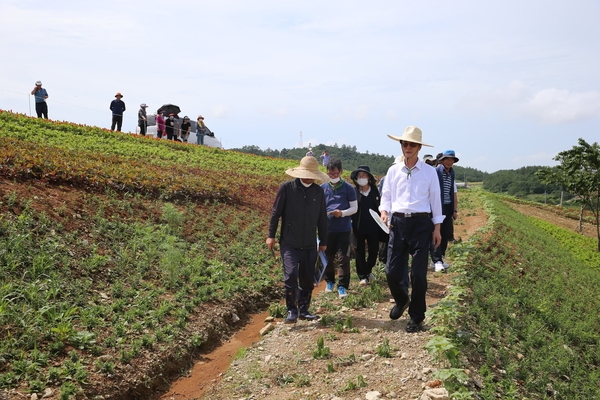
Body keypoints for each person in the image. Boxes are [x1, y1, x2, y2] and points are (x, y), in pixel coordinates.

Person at [379, 126, 443, 333]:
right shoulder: (393, 170)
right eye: (405, 144)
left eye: (412, 144)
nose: (408, 147)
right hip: (398, 224)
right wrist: (384, 211)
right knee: (391, 271)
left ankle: (416, 317)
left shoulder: (429, 172)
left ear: (418, 147)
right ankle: (402, 299)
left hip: (421, 224)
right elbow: (386, 195)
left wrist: (437, 228)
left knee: (418, 275)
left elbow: (435, 200)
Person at [267, 157, 329, 323]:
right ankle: (291, 310)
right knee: (291, 274)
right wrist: (270, 235)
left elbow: (323, 218)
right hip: (289, 242)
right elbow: (275, 213)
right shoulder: (287, 188)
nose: (308, 177)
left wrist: (323, 241)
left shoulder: (318, 192)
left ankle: (304, 309)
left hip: (310, 243)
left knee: (308, 277)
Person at [322, 159, 357, 298]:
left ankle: (342, 286)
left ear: (341, 172)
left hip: (343, 228)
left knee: (344, 258)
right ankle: (329, 281)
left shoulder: (348, 188)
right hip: (328, 229)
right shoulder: (322, 188)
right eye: (330, 174)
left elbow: (354, 208)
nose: (333, 176)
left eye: (335, 174)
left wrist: (342, 213)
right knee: (328, 257)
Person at [350, 165, 383, 286]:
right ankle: (362, 275)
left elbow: (380, 207)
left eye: (363, 175)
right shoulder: (354, 192)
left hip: (373, 226)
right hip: (358, 227)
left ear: (368, 177)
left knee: (374, 251)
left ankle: (368, 270)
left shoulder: (374, 191)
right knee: (360, 252)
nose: (361, 178)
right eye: (359, 176)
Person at [431, 150, 459, 273]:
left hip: (447, 207)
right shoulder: (436, 172)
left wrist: (454, 209)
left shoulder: (451, 173)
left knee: (446, 232)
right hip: (437, 206)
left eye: (452, 160)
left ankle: (439, 258)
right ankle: (436, 260)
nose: (449, 161)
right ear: (442, 160)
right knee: (437, 233)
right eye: (447, 159)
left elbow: (452, 193)